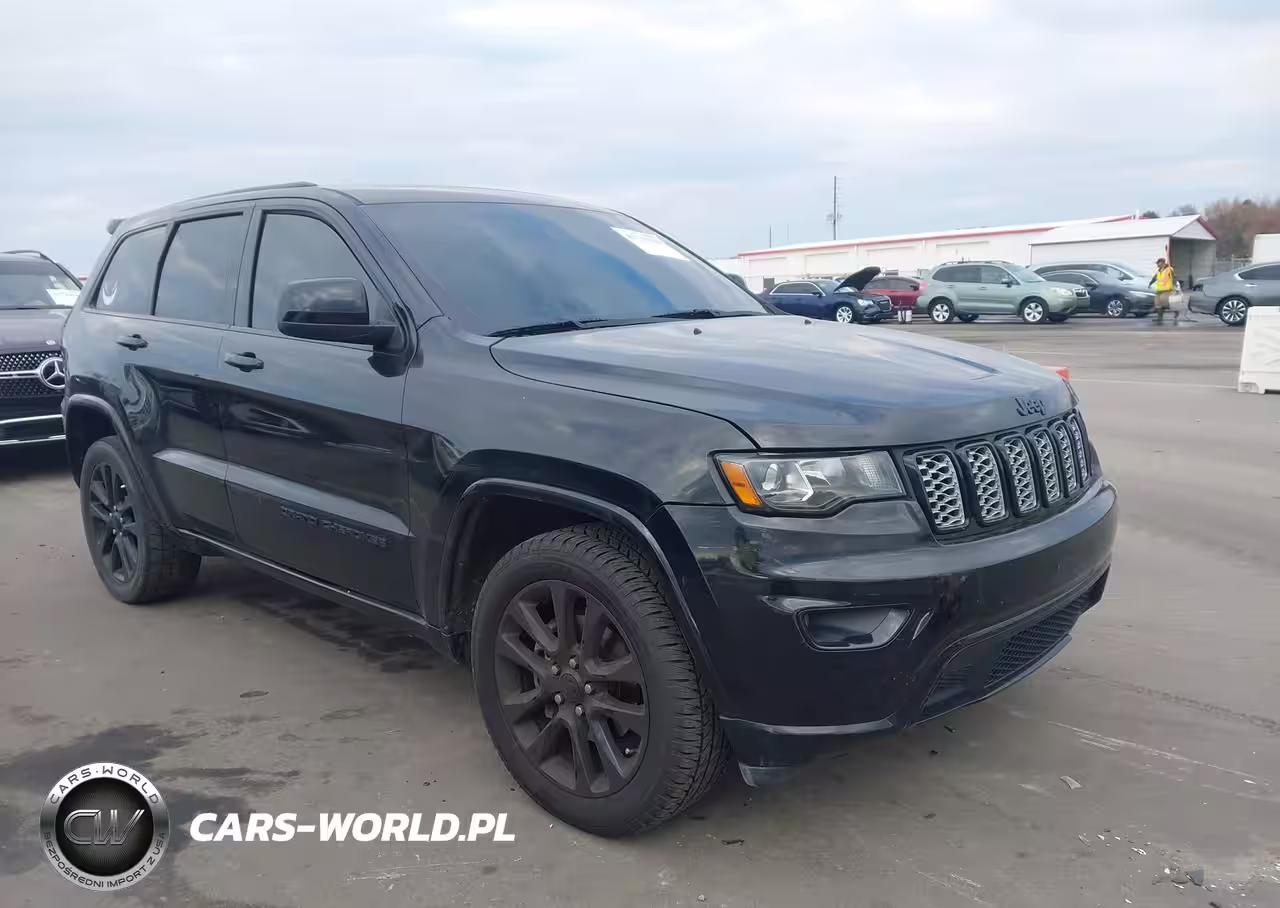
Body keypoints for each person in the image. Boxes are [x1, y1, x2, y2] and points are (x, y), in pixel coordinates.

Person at [1149, 258, 1178, 324]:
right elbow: (1155, 277)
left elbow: (1174, 278)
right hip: (1159, 290)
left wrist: (1174, 286)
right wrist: (1150, 283)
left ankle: (1176, 311)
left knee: (1166, 304)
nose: (1157, 265)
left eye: (1158, 263)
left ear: (1162, 262)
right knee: (1158, 305)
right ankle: (1160, 318)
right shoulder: (1159, 271)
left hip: (1167, 290)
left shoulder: (1169, 270)